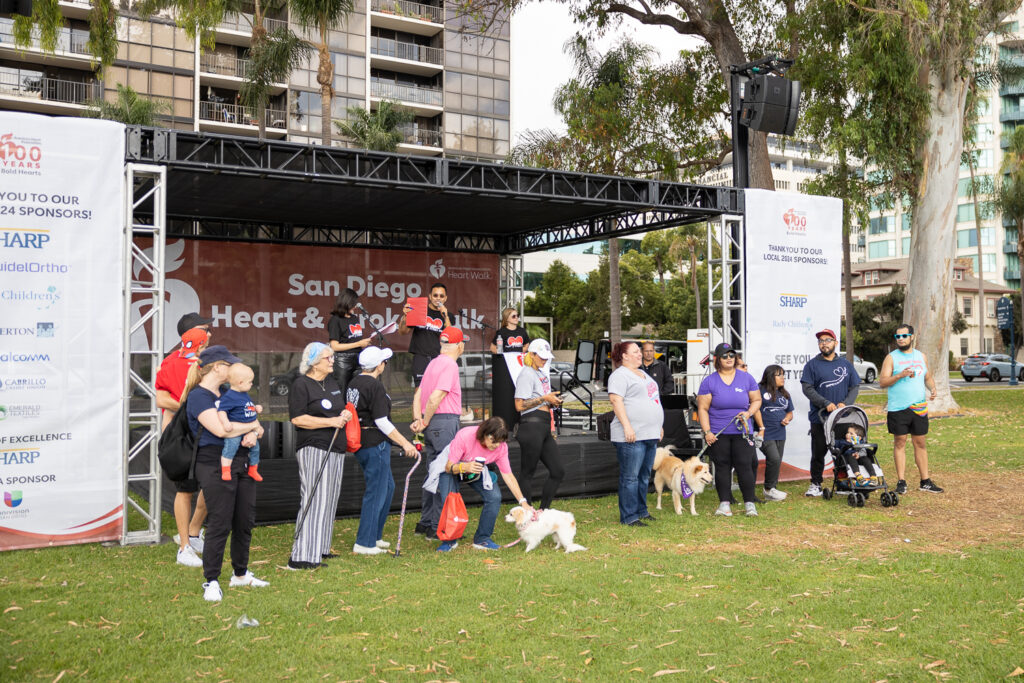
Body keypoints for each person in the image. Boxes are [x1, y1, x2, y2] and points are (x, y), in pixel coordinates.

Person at [181, 345, 267, 601]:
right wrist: (251, 426)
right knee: (220, 521)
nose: (233, 369)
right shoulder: (199, 397)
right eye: (228, 364)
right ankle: (211, 580)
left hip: (242, 461)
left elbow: (256, 426)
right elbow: (221, 431)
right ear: (217, 367)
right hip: (213, 463)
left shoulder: (231, 392)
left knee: (244, 519)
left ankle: (240, 574)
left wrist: (253, 431)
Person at [347, 345, 419, 555]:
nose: (385, 365)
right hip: (373, 443)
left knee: (386, 488)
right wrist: (405, 443)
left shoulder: (354, 382)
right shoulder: (374, 386)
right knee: (376, 492)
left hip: (363, 442)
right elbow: (382, 422)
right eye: (384, 362)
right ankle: (364, 543)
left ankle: (374, 536)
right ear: (379, 365)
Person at [287, 342, 353, 570]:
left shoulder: (332, 382)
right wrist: (330, 421)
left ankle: (320, 547)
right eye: (328, 358)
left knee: (329, 498)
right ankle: (302, 556)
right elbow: (297, 419)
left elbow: (337, 410)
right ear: (314, 362)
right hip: (314, 446)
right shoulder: (301, 384)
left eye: (332, 357)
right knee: (315, 499)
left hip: (336, 445)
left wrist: (342, 413)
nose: (332, 361)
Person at [155, 312, 212, 568]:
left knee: (212, 485)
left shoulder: (211, 360)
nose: (209, 333)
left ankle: (193, 532)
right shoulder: (171, 362)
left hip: (208, 433)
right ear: (190, 333)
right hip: (182, 436)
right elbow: (160, 399)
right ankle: (184, 548)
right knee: (185, 489)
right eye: (204, 329)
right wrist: (189, 406)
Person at [434, 418, 533, 552]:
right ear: (485, 434)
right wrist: (465, 466)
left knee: (494, 497)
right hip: (453, 467)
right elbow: (449, 467)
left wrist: (523, 501)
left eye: (500, 441)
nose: (497, 445)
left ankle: (482, 539)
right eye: (494, 440)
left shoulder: (501, 448)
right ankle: (449, 541)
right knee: (449, 500)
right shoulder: (466, 435)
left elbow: (508, 475)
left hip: (475, 470)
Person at [410, 326, 466, 538]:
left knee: (432, 472)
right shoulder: (450, 365)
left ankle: (426, 522)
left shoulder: (433, 362)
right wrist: (423, 421)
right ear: (459, 345)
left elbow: (418, 394)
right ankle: (438, 526)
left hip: (432, 422)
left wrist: (419, 420)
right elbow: (435, 397)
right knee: (444, 473)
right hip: (443, 421)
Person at [697, 342, 763, 517]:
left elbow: (757, 400)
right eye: (725, 356)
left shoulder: (746, 378)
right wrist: (707, 432)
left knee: (745, 466)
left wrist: (749, 413)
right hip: (719, 433)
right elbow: (702, 409)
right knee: (722, 467)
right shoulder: (709, 381)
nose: (729, 359)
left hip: (742, 431)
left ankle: (750, 504)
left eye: (732, 355)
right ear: (717, 359)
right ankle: (724, 504)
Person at [878, 324, 943, 495]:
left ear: (912, 337)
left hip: (919, 407)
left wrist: (933, 389)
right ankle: (901, 481)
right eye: (897, 336)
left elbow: (927, 377)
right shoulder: (891, 358)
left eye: (904, 336)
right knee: (900, 442)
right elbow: (883, 382)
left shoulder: (921, 356)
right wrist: (899, 375)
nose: (900, 339)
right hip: (898, 408)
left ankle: (925, 481)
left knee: (920, 443)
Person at [608, 341, 664, 526]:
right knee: (630, 477)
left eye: (640, 351)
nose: (640, 354)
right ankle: (629, 516)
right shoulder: (620, 375)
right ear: (624, 356)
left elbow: (653, 400)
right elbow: (616, 401)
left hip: (649, 433)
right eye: (635, 351)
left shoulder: (643, 375)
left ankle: (642, 510)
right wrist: (627, 426)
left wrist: (659, 425)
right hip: (632, 435)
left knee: (644, 475)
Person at [800, 328, 860, 498]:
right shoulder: (812, 365)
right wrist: (825, 403)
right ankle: (816, 484)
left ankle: (842, 482)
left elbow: (854, 386)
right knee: (818, 452)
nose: (824, 343)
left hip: (842, 418)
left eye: (827, 340)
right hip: (820, 418)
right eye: (821, 341)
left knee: (842, 450)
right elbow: (807, 388)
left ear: (835, 343)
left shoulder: (845, 364)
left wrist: (846, 404)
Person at [514, 339, 565, 510]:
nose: (544, 360)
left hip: (542, 426)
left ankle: (543, 511)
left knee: (558, 470)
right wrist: (545, 399)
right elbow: (519, 405)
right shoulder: (526, 373)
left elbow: (540, 401)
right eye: (541, 356)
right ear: (532, 354)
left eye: (546, 357)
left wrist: (551, 402)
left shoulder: (540, 374)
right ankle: (527, 512)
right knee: (528, 472)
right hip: (531, 426)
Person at [399, 282, 453, 387]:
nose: (438, 298)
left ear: (445, 298)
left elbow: (450, 337)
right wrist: (405, 316)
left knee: (438, 392)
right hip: (421, 357)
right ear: (430, 296)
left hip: (439, 358)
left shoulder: (448, 316)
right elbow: (402, 332)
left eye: (441, 296)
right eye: (435, 295)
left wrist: (445, 316)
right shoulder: (420, 310)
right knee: (419, 393)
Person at [216, 363, 263, 482]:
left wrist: (256, 408)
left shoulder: (244, 394)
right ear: (240, 383)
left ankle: (253, 469)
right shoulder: (229, 396)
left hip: (249, 429)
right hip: (236, 430)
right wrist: (226, 422)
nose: (252, 384)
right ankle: (225, 470)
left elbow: (247, 407)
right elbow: (222, 411)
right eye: (250, 382)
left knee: (255, 448)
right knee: (231, 446)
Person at [327, 288, 373, 401]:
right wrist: (358, 343)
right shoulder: (335, 320)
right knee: (341, 394)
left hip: (357, 359)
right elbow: (334, 346)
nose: (356, 306)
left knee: (357, 391)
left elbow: (353, 340)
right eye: (354, 303)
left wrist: (362, 344)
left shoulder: (354, 318)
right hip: (343, 362)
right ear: (347, 302)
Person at [490, 307, 531, 431]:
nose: (517, 318)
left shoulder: (522, 331)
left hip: (518, 365)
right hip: (505, 367)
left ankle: (519, 422)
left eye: (517, 315)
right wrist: (504, 355)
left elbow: (527, 344)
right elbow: (492, 347)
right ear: (506, 318)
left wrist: (519, 352)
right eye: (514, 316)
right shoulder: (501, 332)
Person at [757, 364, 793, 501]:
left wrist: (787, 419)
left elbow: (790, 412)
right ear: (770, 376)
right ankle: (768, 489)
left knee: (776, 461)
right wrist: (760, 429)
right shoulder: (759, 390)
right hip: (764, 433)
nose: (783, 377)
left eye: (783, 375)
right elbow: (754, 408)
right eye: (779, 375)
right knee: (774, 458)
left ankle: (772, 489)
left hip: (780, 433)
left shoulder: (784, 393)